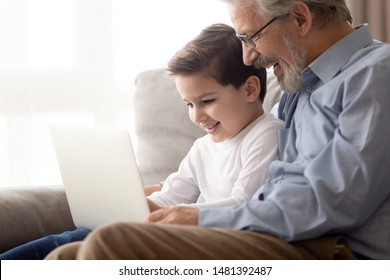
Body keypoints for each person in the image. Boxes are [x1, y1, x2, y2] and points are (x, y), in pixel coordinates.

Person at [44, 0, 390, 260]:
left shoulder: (376, 75)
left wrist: (203, 218)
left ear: (300, 18)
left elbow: (332, 201)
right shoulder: (299, 88)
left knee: (110, 243)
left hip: (331, 249)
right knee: (66, 257)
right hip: (285, 235)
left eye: (250, 36)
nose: (246, 57)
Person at [0, 23, 282, 260]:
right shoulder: (203, 147)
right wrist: (137, 204)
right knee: (72, 240)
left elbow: (244, 203)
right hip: (177, 234)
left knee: (83, 242)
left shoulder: (266, 134)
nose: (196, 116)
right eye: (188, 104)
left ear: (249, 89)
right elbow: (170, 195)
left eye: (206, 101)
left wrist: (164, 212)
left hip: (213, 244)